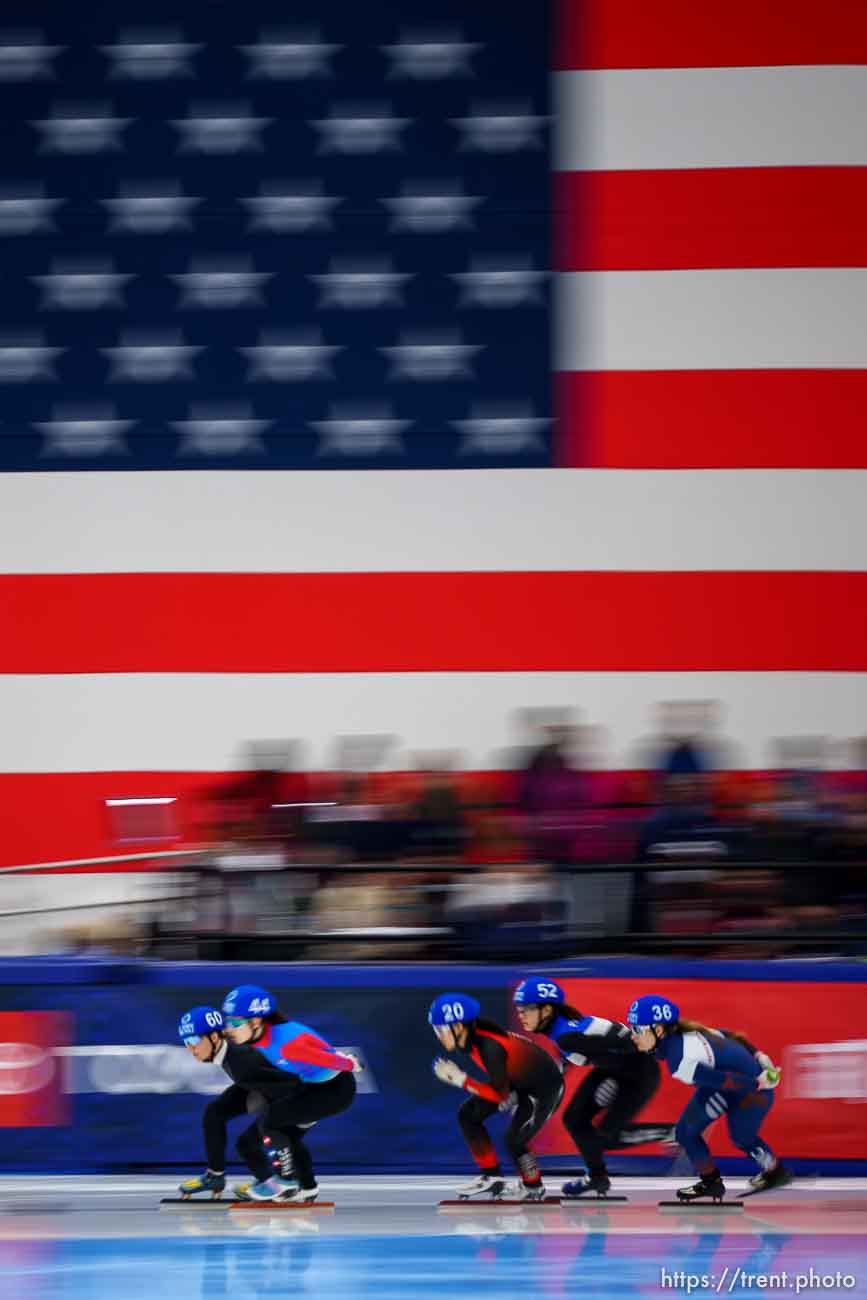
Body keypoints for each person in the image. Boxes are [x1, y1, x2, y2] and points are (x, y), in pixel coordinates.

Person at [512, 977, 674, 1198]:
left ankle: (671, 1132)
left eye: (526, 1010)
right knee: (574, 1119)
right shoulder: (564, 1032)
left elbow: (625, 1042)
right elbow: (568, 1061)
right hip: (614, 1070)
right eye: (518, 1010)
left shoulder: (569, 1037)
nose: (521, 1016)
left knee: (609, 1137)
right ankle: (596, 1177)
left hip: (639, 1074)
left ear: (547, 1009)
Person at [626, 993, 792, 1201]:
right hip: (736, 1083)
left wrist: (760, 1082)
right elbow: (729, 1035)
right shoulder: (686, 1034)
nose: (632, 1035)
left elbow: (724, 1080)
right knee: (685, 1132)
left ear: (658, 1030)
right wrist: (759, 1055)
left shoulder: (679, 1060)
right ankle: (710, 1182)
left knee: (742, 1138)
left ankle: (775, 1171)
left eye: (636, 1029)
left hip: (750, 1092)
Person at [221, 984, 359, 1201]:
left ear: (256, 1021)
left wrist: (349, 1064)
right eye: (228, 1022)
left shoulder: (286, 1043)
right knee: (285, 1135)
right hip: (314, 1087)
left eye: (235, 1022)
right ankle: (307, 1186)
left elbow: (327, 1058)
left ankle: (285, 1183)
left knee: (271, 1121)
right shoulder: (262, 1038)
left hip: (334, 1091)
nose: (230, 1029)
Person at [428, 992, 564, 1201]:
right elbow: (501, 1088)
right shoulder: (472, 1040)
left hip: (544, 1090)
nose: (438, 1035)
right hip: (518, 1083)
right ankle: (492, 1177)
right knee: (468, 1114)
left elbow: (499, 1096)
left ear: (458, 1027)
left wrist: (462, 1080)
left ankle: (534, 1186)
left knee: (514, 1140)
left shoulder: (489, 1047)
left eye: (440, 1029)